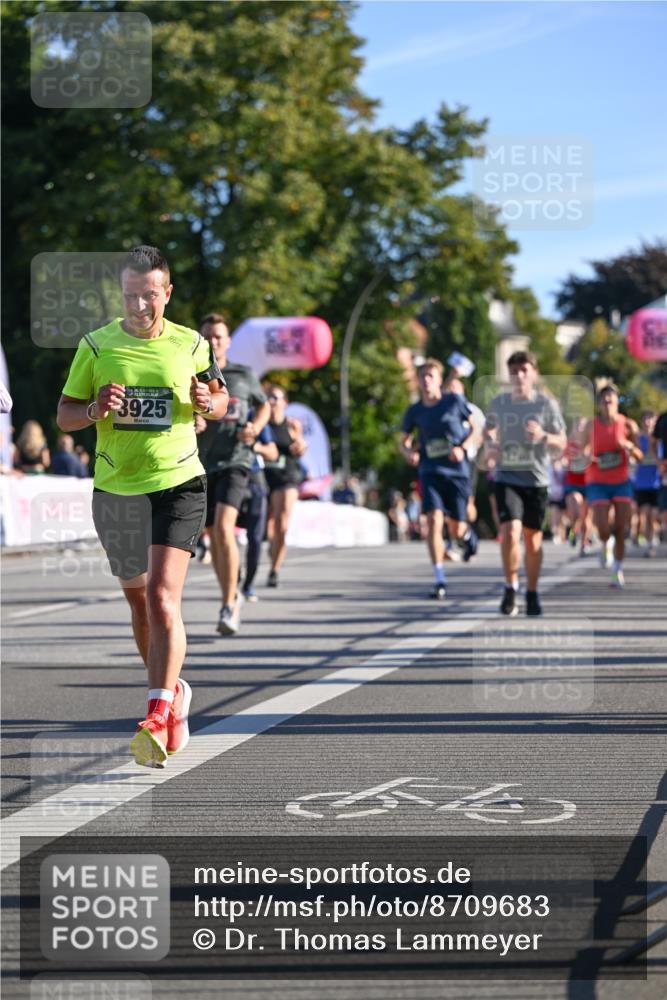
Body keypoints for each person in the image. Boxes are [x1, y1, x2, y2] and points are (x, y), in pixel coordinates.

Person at [57, 245, 228, 768]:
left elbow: (220, 399)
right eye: (130, 296)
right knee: (139, 605)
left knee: (160, 597)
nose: (138, 306)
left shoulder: (192, 344)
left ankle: (155, 712)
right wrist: (92, 408)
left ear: (166, 293)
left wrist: (208, 404)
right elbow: (63, 416)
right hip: (115, 489)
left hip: (178, 483)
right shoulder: (96, 344)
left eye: (148, 296)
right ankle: (173, 692)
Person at [196, 313, 270, 632]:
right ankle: (231, 592)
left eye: (219, 337)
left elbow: (263, 405)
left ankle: (228, 604)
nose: (213, 342)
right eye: (208, 336)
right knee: (213, 535)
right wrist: (192, 421)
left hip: (237, 459)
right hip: (202, 462)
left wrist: (255, 426)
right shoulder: (191, 375)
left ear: (228, 342)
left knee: (225, 528)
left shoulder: (243, 374)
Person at [481, 350, 567, 616]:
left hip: (537, 480)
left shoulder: (546, 405)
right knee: (510, 531)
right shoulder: (499, 403)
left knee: (533, 541)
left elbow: (562, 441)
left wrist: (543, 436)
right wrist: (491, 446)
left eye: (524, 370)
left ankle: (531, 592)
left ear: (534, 373)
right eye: (514, 370)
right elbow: (488, 430)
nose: (519, 375)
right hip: (508, 476)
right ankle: (510, 587)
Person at [400, 358, 480, 600]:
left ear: (438, 379)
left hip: (456, 471)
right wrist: (409, 453)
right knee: (434, 520)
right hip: (430, 470)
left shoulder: (453, 401)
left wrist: (463, 447)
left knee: (456, 528)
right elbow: (403, 440)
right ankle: (439, 579)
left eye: (431, 376)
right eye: (422, 376)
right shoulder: (415, 410)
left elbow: (475, 427)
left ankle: (466, 537)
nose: (426, 381)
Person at [583, 383, 643, 587]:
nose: (607, 403)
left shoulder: (628, 425)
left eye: (611, 400)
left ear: (618, 402)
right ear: (599, 404)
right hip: (597, 481)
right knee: (602, 528)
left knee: (621, 527)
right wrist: (586, 457)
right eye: (604, 400)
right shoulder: (591, 426)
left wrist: (629, 446)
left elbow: (640, 456)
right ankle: (605, 543)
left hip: (621, 481)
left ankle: (617, 569)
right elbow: (580, 452)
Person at [264, 385, 307, 587]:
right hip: (264, 477)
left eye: (276, 397)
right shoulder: (261, 423)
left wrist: (299, 439)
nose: (272, 401)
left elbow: (301, 448)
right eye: (269, 397)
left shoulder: (291, 425)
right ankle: (272, 547)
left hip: (287, 477)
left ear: (285, 403)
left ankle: (274, 569)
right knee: (268, 525)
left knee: (282, 523)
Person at [237, 421, 278, 600]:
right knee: (221, 532)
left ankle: (248, 584)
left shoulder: (256, 417)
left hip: (255, 480)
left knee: (255, 537)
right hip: (225, 477)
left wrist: (253, 443)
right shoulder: (218, 409)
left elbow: (273, 453)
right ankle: (232, 576)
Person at [562, 416, 592, 555]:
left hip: (589, 483)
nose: (580, 428)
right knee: (576, 510)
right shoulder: (569, 445)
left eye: (582, 425)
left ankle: (584, 542)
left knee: (586, 516)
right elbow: (563, 460)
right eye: (577, 425)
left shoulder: (592, 445)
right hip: (572, 483)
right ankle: (574, 529)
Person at [633, 410, 660, 557]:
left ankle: (652, 540)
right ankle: (649, 541)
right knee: (644, 515)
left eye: (651, 418)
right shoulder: (637, 438)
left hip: (657, 483)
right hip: (641, 483)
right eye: (646, 418)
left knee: (653, 515)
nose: (648, 422)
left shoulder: (660, 440)